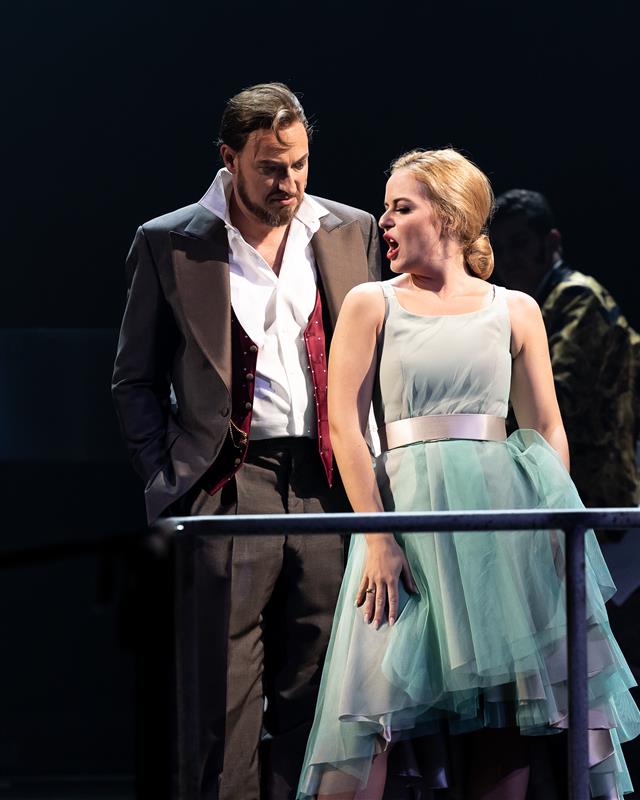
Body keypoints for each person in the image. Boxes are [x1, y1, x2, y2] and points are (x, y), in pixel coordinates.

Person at [296, 150, 640, 800]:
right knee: (366, 714)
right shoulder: (373, 303)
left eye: (402, 207)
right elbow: (345, 425)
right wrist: (377, 537)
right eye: (386, 208)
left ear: (450, 216)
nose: (384, 221)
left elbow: (546, 427)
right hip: (405, 521)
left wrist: (552, 526)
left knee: (505, 716)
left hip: (498, 529)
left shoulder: (515, 309)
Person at [111, 83, 381, 800]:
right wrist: (170, 480)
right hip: (228, 483)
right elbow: (134, 380)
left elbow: (376, 366)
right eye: (269, 167)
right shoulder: (170, 241)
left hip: (326, 482)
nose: (288, 182)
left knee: (319, 691)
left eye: (299, 164)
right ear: (228, 159)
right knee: (221, 698)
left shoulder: (348, 230)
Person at [490, 190, 640, 510]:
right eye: (500, 248)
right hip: (561, 481)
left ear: (551, 242)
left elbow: (556, 397)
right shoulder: (539, 302)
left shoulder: (577, 297)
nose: (507, 259)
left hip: (590, 489)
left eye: (519, 243)